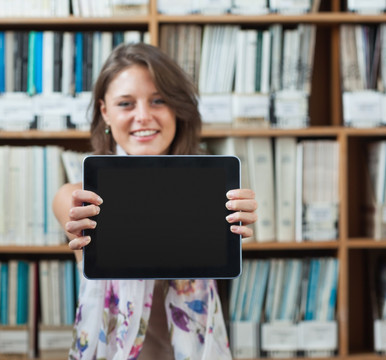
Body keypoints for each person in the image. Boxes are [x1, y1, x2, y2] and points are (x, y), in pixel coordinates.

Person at [52, 42, 257, 360]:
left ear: (177, 108)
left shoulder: (212, 193)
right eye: (126, 104)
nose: (143, 116)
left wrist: (236, 222)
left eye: (159, 100)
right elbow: (72, 208)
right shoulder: (78, 196)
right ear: (105, 111)